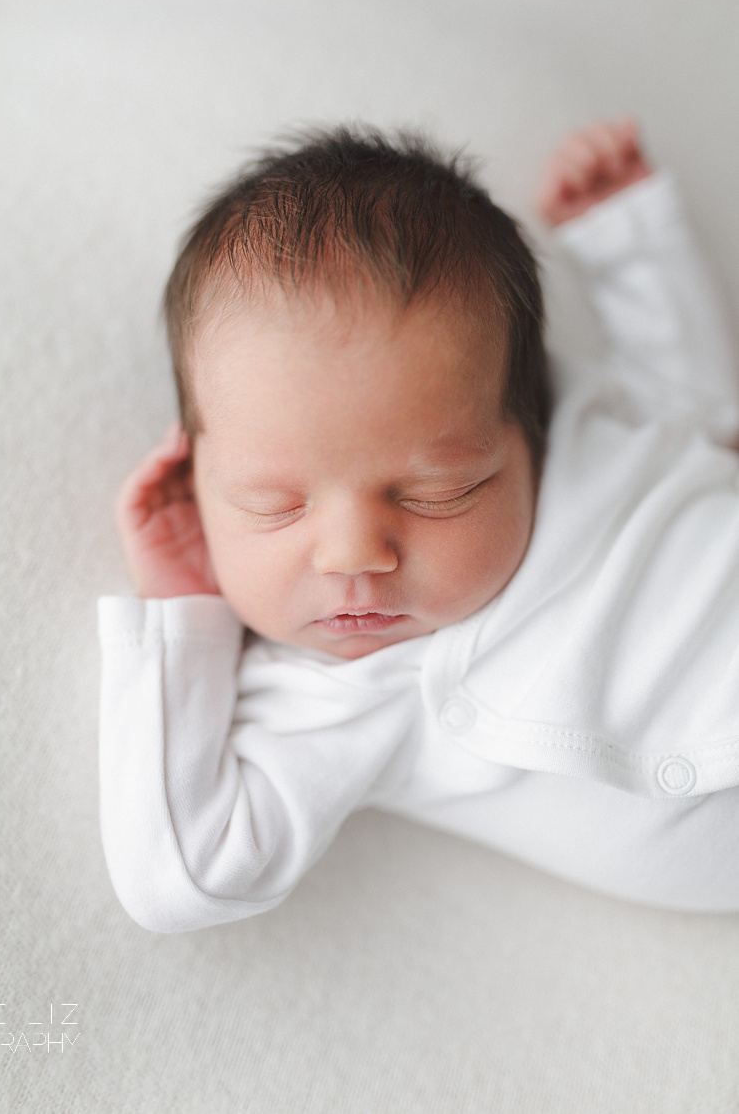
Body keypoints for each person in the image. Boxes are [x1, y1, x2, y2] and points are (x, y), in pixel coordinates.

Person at [104, 121, 739, 933]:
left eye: (437, 492)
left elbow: (703, 414)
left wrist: (630, 242)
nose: (351, 554)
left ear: (528, 423)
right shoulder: (334, 690)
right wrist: (182, 612)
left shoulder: (591, 420)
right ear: (199, 486)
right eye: (273, 505)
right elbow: (181, 879)